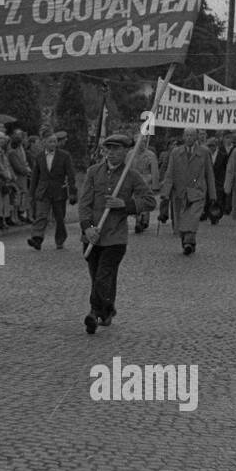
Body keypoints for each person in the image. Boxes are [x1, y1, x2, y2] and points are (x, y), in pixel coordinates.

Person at [78, 133, 156, 334]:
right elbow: (84, 203)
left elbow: (150, 201)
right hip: (93, 236)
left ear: (125, 152)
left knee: (103, 276)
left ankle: (93, 313)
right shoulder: (93, 172)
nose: (111, 153)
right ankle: (108, 310)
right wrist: (87, 227)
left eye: (116, 150)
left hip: (116, 238)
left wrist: (126, 205)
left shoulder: (131, 176)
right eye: (108, 149)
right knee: (99, 277)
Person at [159, 127, 216, 255]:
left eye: (192, 135)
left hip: (197, 192)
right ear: (183, 137)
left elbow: (209, 174)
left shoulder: (204, 152)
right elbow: (170, 173)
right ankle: (187, 241)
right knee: (181, 220)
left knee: (193, 218)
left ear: (196, 137)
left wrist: (212, 194)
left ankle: (189, 241)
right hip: (180, 192)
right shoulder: (175, 152)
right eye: (187, 135)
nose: (189, 138)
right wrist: (165, 192)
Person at [27, 132, 76, 249]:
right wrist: (31, 193)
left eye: (55, 141)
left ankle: (60, 240)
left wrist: (73, 192)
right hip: (43, 191)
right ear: (44, 142)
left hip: (59, 191)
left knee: (59, 218)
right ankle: (37, 239)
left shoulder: (64, 155)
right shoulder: (39, 157)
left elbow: (71, 174)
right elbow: (35, 176)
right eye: (50, 141)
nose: (53, 144)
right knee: (41, 215)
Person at [128, 135, 159, 233]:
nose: (141, 144)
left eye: (143, 142)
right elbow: (126, 169)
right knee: (136, 201)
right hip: (133, 181)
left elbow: (154, 171)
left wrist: (155, 185)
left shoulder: (150, 155)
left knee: (145, 200)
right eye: (139, 142)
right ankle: (139, 221)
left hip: (146, 180)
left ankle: (143, 221)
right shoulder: (130, 154)